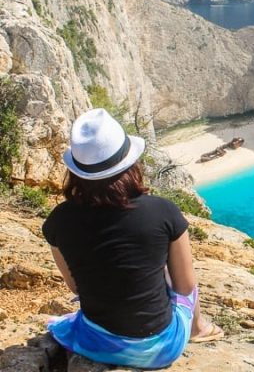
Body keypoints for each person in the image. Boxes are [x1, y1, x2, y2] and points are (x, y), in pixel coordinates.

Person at [42, 108, 223, 369]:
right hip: (161, 349)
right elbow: (185, 287)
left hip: (97, 345)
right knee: (168, 270)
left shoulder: (57, 220)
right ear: (130, 164)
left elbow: (76, 287)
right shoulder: (163, 211)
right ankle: (198, 329)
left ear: (78, 172)